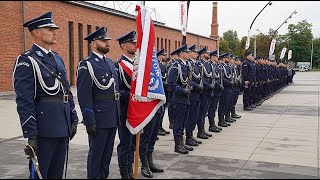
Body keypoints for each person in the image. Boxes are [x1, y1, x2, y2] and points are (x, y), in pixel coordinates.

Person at [13, 12, 79, 179]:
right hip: (44, 128)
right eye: (49, 29)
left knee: (57, 174)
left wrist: (73, 117)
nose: (55, 31)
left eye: (54, 28)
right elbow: (24, 101)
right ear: (36, 32)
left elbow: (66, 91)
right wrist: (31, 134)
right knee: (41, 174)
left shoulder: (57, 58)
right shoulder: (27, 60)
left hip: (62, 125)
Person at [77, 27, 120, 179]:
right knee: (96, 155)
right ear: (93, 44)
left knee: (107, 156)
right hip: (99, 119)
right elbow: (84, 96)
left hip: (112, 117)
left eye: (108, 41)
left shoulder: (110, 63)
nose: (107, 43)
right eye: (103, 41)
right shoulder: (87, 64)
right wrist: (89, 121)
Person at [115, 31, 137, 179]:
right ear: (123, 45)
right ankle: (124, 172)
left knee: (133, 142)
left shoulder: (138, 65)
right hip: (125, 110)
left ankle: (130, 167)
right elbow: (116, 91)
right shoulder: (119, 65)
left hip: (137, 111)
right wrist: (131, 96)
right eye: (132, 43)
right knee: (125, 142)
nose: (135, 45)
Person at [167, 44, 193, 154]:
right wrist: (183, 91)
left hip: (185, 98)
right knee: (178, 123)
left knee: (183, 122)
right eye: (186, 52)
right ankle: (177, 145)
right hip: (178, 99)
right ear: (181, 54)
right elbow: (171, 83)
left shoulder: (185, 66)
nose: (188, 54)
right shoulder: (176, 66)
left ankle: (181, 143)